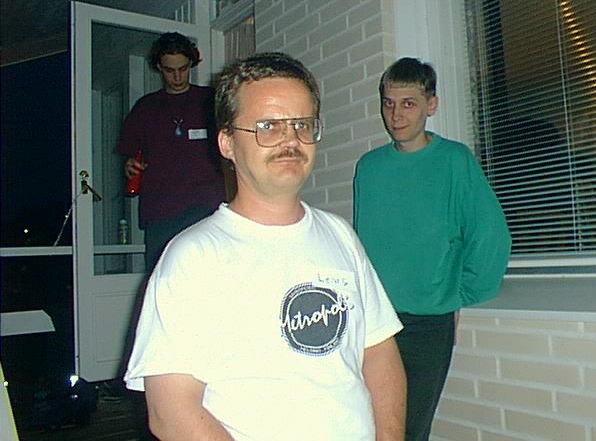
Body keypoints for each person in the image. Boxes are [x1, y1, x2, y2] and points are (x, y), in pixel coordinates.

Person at [124, 52, 407, 441]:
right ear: (227, 143)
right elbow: (170, 412)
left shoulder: (341, 235)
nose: (290, 140)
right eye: (268, 126)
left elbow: (378, 352)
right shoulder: (192, 258)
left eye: (302, 124)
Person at [353, 57, 511, 440]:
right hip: (372, 322)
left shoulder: (454, 160)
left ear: (431, 105)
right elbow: (361, 246)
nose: (396, 114)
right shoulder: (369, 167)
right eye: (389, 103)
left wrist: (458, 294)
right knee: (365, 425)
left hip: (426, 325)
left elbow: (490, 235)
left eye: (408, 103)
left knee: (408, 430)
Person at [117, 31, 226, 270]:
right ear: (159, 67)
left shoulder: (210, 101)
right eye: (169, 70)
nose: (177, 77)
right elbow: (129, 156)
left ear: (191, 64)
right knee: (163, 274)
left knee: (208, 272)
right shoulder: (146, 108)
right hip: (161, 209)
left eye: (183, 69)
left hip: (205, 205)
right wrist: (129, 166)